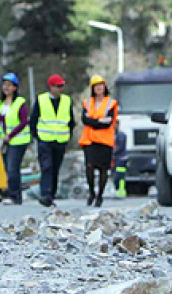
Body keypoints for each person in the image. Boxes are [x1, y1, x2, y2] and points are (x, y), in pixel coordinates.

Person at [30, 74, 74, 207]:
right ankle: (46, 194)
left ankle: (51, 195)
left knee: (55, 168)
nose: (60, 89)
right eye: (57, 86)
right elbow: (33, 119)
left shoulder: (66, 101)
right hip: (45, 140)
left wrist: (68, 136)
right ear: (51, 87)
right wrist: (36, 136)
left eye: (61, 86)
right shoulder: (41, 100)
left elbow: (71, 120)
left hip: (60, 141)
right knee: (46, 167)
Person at [79, 74, 118, 207]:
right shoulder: (87, 102)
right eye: (96, 86)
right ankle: (91, 192)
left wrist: (93, 121)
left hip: (104, 141)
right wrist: (99, 120)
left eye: (101, 86)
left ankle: (100, 196)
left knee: (103, 169)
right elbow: (84, 120)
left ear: (105, 87)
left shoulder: (111, 103)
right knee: (89, 167)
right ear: (92, 88)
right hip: (89, 140)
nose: (99, 88)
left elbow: (108, 122)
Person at [0, 72, 30, 206]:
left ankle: (14, 195)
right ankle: (15, 194)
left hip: (18, 141)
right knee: (7, 168)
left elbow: (23, 122)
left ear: (15, 87)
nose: (6, 88)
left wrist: (11, 135)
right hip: (5, 141)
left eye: (9, 85)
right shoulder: (1, 103)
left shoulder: (20, 103)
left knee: (12, 168)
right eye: (5, 85)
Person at [112, 120, 128, 198]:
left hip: (121, 159)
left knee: (120, 176)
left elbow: (119, 147)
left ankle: (121, 191)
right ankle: (117, 190)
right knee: (114, 175)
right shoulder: (111, 135)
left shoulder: (121, 135)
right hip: (114, 159)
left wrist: (112, 150)